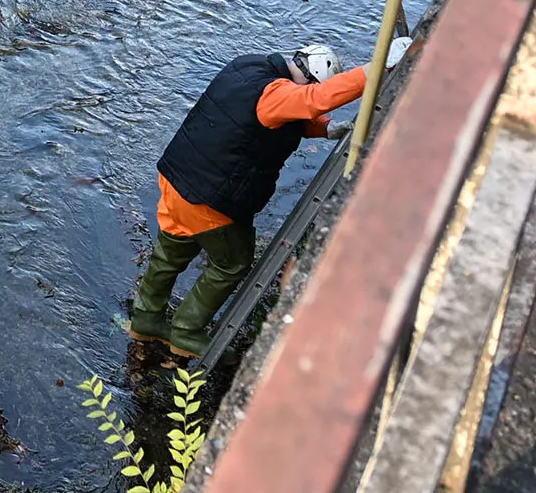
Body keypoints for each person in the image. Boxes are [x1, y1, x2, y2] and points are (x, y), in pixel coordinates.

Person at [128, 43, 368, 358]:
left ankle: (146, 318)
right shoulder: (279, 94)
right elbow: (307, 102)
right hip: (207, 197)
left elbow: (280, 114)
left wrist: (324, 129)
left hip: (176, 178)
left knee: (170, 253)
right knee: (232, 263)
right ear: (311, 80)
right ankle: (186, 331)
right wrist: (374, 70)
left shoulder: (250, 67)